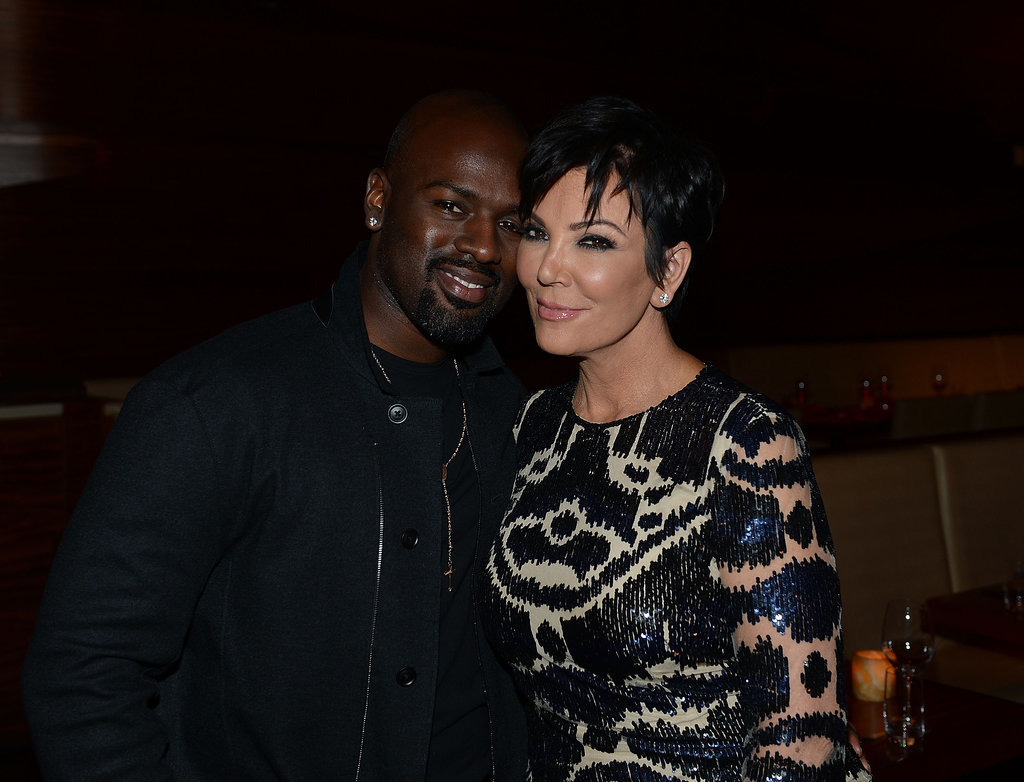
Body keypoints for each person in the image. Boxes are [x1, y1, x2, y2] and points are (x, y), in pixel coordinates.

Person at [22, 89, 530, 782]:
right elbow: (82, 673)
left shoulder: (517, 415)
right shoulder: (215, 404)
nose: (483, 246)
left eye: (512, 223)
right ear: (378, 199)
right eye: (450, 205)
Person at [480, 95, 872, 781]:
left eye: (593, 241)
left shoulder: (745, 443)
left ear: (668, 270)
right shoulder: (531, 426)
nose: (547, 269)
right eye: (537, 232)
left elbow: (799, 744)